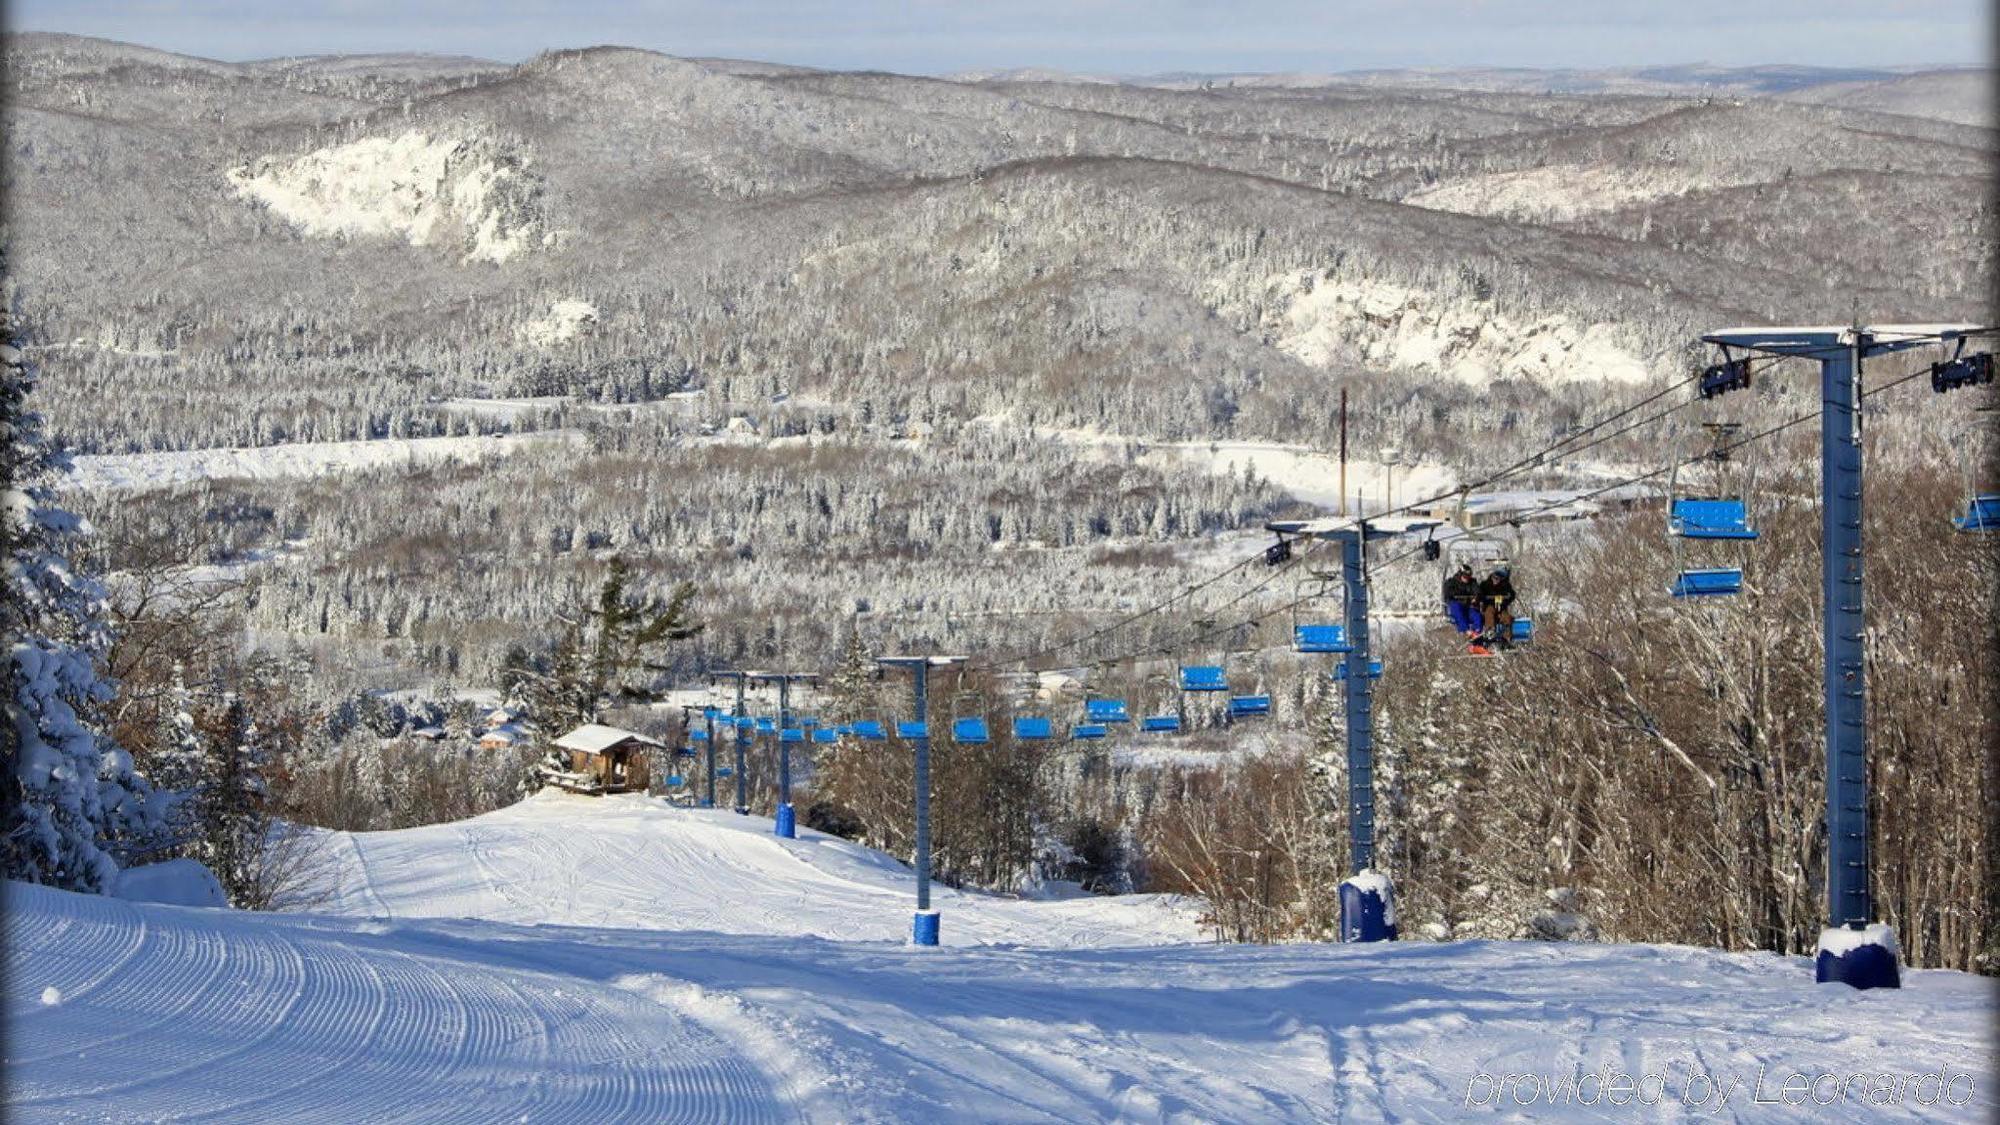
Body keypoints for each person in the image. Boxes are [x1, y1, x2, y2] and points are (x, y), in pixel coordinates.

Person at [1480, 565, 1517, 650]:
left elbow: (1511, 595)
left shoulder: (1505, 585)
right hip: (1489, 606)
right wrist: (1484, 598)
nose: (1496, 580)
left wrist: (1506, 598)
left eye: (1498, 579)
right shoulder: (1485, 585)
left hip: (1501, 607)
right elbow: (1479, 594)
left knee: (1507, 617)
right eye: (1495, 578)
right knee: (1490, 611)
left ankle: (1507, 638)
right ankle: (1490, 631)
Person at [1443, 562, 1482, 642]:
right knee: (1457, 610)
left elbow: (1477, 591)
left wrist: (1476, 597)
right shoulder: (1451, 582)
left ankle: (1478, 632)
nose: (1466, 579)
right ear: (1460, 574)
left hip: (1468, 606)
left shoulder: (1472, 582)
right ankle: (1467, 631)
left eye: (1468, 577)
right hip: (1457, 605)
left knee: (1477, 615)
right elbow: (1448, 592)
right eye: (1465, 576)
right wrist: (1459, 595)